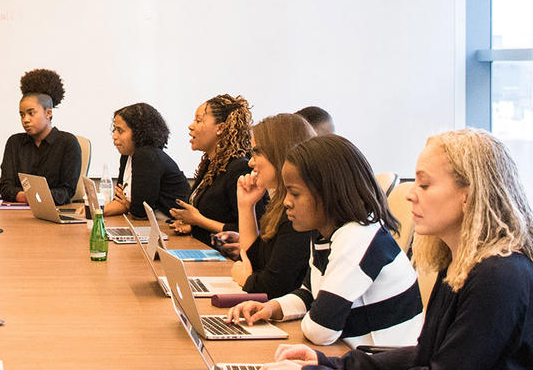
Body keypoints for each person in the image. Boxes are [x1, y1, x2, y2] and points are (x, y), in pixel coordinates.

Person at [252, 129, 533, 370]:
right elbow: (427, 358)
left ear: (467, 195)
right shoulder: (462, 262)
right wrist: (325, 364)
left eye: (424, 185)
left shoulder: (498, 276)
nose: (411, 195)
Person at [229, 133, 423, 347]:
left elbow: (322, 330)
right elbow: (309, 292)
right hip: (353, 357)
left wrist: (313, 315)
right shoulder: (326, 234)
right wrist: (273, 308)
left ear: (330, 193)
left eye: (294, 193)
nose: (286, 202)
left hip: (382, 365)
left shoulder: (356, 238)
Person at [215, 113, 316, 297]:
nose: (251, 162)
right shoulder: (279, 204)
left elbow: (272, 287)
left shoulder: (300, 212)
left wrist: (245, 279)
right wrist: (246, 205)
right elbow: (254, 262)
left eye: (256, 152)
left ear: (280, 153)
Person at [169, 94, 254, 244]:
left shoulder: (239, 168)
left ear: (220, 128)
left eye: (198, 120)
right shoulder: (211, 164)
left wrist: (198, 221)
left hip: (226, 258)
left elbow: (246, 229)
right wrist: (191, 225)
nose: (191, 126)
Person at [0, 68, 82, 205]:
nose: (25, 120)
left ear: (48, 113)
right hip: (18, 211)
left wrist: (35, 197)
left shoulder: (68, 143)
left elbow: (67, 191)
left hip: (54, 211)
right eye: (22, 115)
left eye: (31, 113)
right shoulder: (15, 142)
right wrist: (23, 196)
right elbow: (6, 187)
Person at [100, 102, 188, 219]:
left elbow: (140, 212)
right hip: (153, 224)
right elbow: (120, 201)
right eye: (114, 130)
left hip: (171, 225)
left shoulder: (146, 156)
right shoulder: (127, 155)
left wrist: (128, 206)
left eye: (120, 131)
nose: (114, 136)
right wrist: (96, 212)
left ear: (138, 132)